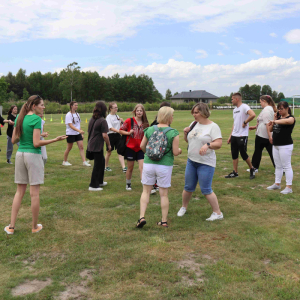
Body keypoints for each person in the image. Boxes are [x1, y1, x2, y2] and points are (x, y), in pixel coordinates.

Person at [4, 95, 67, 235]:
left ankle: (11, 227)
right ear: (34, 106)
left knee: (19, 192)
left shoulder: (20, 118)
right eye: (42, 105)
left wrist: (32, 133)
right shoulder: (37, 119)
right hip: (33, 156)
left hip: (20, 155)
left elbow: (14, 140)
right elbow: (36, 143)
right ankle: (34, 227)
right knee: (34, 194)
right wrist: (55, 139)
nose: (43, 107)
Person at [177, 103, 224, 221]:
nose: (194, 114)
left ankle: (217, 213)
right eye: (193, 112)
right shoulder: (194, 124)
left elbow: (218, 144)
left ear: (203, 112)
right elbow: (188, 140)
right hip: (191, 161)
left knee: (206, 189)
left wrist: (208, 145)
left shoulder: (213, 127)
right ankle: (184, 207)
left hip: (205, 163)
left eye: (196, 112)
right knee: (188, 187)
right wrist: (185, 133)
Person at [136, 106, 181, 228]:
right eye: (172, 115)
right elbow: (176, 152)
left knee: (146, 191)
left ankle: (141, 217)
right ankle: (164, 220)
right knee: (164, 194)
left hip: (149, 163)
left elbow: (142, 146)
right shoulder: (173, 133)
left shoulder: (149, 130)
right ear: (168, 117)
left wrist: (148, 154)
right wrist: (180, 150)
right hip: (164, 165)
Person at [225, 92, 256, 179]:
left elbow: (252, 114)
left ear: (237, 99)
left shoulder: (244, 107)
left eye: (232, 99)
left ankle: (252, 169)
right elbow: (234, 123)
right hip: (235, 135)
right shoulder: (234, 110)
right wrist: (230, 135)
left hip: (242, 135)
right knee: (234, 154)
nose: (231, 101)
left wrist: (245, 122)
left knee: (243, 153)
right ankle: (235, 172)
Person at [267, 101, 295, 194]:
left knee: (286, 166)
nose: (279, 110)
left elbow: (287, 121)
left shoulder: (291, 118)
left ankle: (289, 187)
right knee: (278, 166)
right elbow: (271, 129)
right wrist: (274, 120)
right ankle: (277, 184)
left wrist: (275, 120)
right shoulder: (278, 118)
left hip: (285, 145)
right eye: (278, 109)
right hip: (276, 145)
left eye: (281, 109)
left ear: (287, 108)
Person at [119, 104, 149, 191]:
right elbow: (120, 130)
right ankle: (128, 183)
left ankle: (144, 184)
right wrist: (128, 133)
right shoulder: (129, 121)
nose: (139, 112)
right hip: (130, 148)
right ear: (135, 111)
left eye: (141, 111)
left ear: (143, 112)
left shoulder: (145, 123)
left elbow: (148, 135)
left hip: (141, 149)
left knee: (142, 167)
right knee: (130, 168)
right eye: (137, 110)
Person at [248, 95, 276, 173]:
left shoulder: (267, 110)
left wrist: (270, 136)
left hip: (264, 135)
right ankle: (255, 167)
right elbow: (262, 122)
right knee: (259, 151)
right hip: (263, 134)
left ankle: (279, 168)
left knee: (269, 152)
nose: (260, 104)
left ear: (264, 101)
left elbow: (268, 124)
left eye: (260, 102)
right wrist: (254, 127)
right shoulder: (267, 109)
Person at [87, 101, 111, 191]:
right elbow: (105, 135)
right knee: (97, 165)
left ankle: (100, 181)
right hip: (97, 145)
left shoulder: (92, 119)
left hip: (91, 143)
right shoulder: (103, 121)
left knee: (101, 162)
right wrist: (109, 145)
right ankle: (93, 185)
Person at [150, 101, 171, 194]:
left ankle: (156, 184)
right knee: (157, 167)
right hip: (157, 149)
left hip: (159, 149)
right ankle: (154, 184)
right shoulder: (156, 123)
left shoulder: (162, 121)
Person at [62, 101, 91, 166]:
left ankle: (84, 162)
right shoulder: (68, 115)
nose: (76, 106)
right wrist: (79, 131)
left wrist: (81, 133)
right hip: (70, 133)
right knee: (69, 148)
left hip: (77, 133)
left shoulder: (77, 114)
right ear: (71, 106)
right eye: (75, 105)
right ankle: (64, 161)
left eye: (77, 105)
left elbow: (78, 124)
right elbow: (70, 125)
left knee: (81, 147)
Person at [104, 102, 126, 173]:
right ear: (110, 109)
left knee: (120, 151)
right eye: (115, 107)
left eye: (117, 107)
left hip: (117, 135)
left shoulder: (117, 116)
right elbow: (110, 128)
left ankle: (123, 167)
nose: (116, 109)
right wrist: (119, 131)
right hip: (110, 136)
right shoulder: (108, 117)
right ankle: (105, 166)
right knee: (109, 152)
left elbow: (120, 126)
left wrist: (122, 122)